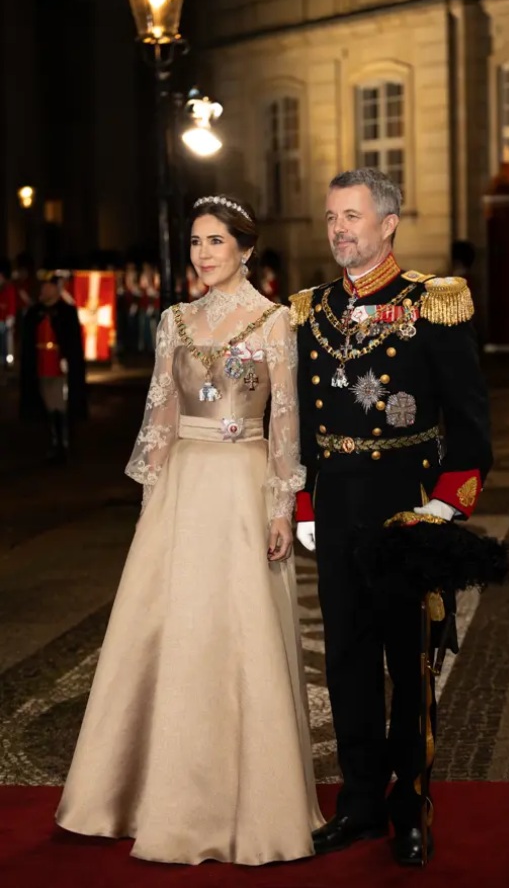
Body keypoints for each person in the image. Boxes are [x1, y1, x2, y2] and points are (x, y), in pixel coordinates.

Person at [56, 195, 324, 866]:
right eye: (197, 242)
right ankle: (149, 795)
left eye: (215, 241)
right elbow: (162, 417)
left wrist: (278, 508)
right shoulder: (175, 322)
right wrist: (153, 504)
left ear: (245, 249)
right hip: (183, 490)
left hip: (242, 485)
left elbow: (288, 421)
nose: (203, 253)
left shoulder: (275, 321)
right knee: (173, 634)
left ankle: (256, 804)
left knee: (241, 636)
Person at [290, 168, 492, 865]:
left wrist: (446, 502)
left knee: (408, 666)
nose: (340, 229)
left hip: (407, 506)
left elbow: (469, 419)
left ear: (388, 223)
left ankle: (412, 809)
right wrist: (304, 500)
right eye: (331, 217)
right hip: (337, 505)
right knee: (344, 661)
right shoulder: (308, 310)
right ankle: (361, 804)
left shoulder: (432, 304)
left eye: (352, 216)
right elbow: (298, 426)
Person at [19, 272, 87, 463]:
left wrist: (67, 359)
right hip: (41, 363)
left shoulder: (66, 311)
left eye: (47, 287)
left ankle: (64, 444)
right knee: (48, 404)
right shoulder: (35, 312)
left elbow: (71, 340)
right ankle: (54, 442)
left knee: (60, 403)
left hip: (58, 364)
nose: (43, 291)